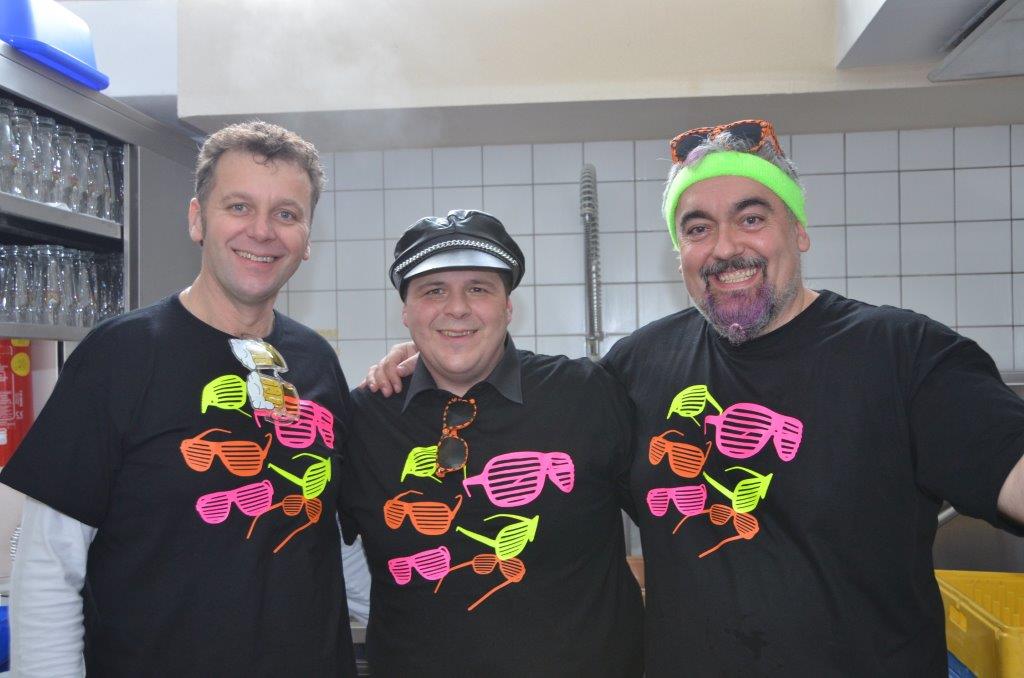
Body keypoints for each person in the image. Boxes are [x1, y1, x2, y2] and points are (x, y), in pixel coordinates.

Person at [365, 120, 1024, 675]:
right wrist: (436, 360)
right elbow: (532, 423)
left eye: (752, 218)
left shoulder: (903, 354)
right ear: (679, 249)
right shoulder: (640, 365)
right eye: (698, 227)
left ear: (798, 229)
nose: (726, 248)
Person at [1, 121, 357, 677]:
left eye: (286, 214)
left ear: (307, 238)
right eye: (238, 207)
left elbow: (332, 535)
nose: (262, 231)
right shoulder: (118, 356)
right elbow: (50, 564)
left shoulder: (315, 360)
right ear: (197, 219)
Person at [340, 209, 643, 677]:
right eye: (433, 290)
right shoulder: (363, 418)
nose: (457, 308)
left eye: (478, 288)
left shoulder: (585, 394)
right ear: (406, 312)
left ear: (507, 307)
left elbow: (675, 529)